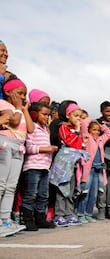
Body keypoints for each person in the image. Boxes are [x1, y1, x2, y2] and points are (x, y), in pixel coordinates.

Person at [0, 79, 34, 237]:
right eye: (19, 93)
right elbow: (13, 122)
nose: (22, 97)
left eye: (25, 94)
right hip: (5, 144)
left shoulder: (20, 109)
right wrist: (19, 108)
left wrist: (23, 109)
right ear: (8, 92)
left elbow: (30, 129)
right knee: (1, 184)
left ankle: (5, 219)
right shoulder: (4, 104)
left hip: (18, 147)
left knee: (11, 186)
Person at [21, 102, 57, 231]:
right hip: (33, 166)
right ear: (35, 114)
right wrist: (46, 149)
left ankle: (40, 218)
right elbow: (29, 148)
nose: (46, 117)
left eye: (48, 115)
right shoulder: (32, 128)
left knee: (43, 194)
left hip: (44, 167)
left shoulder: (46, 129)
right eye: (44, 114)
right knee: (31, 194)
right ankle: (28, 219)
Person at [51, 103, 86, 227]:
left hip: (73, 164)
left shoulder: (78, 130)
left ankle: (69, 213)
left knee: (70, 190)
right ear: (68, 115)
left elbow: (80, 145)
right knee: (62, 189)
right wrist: (76, 130)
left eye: (80, 117)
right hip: (64, 164)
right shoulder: (63, 127)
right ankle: (59, 215)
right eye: (76, 116)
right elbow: (70, 142)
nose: (78, 119)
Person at [77, 118, 110, 224]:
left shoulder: (100, 140)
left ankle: (89, 213)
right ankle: (80, 213)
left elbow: (108, 132)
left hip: (98, 170)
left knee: (94, 194)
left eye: (97, 130)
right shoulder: (87, 137)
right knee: (85, 192)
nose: (96, 132)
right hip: (89, 170)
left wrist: (101, 126)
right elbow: (84, 124)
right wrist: (94, 120)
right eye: (94, 130)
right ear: (89, 130)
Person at [96, 101, 110, 220]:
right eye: (107, 111)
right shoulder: (97, 123)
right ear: (101, 111)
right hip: (101, 157)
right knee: (102, 185)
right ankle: (101, 209)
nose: (109, 113)